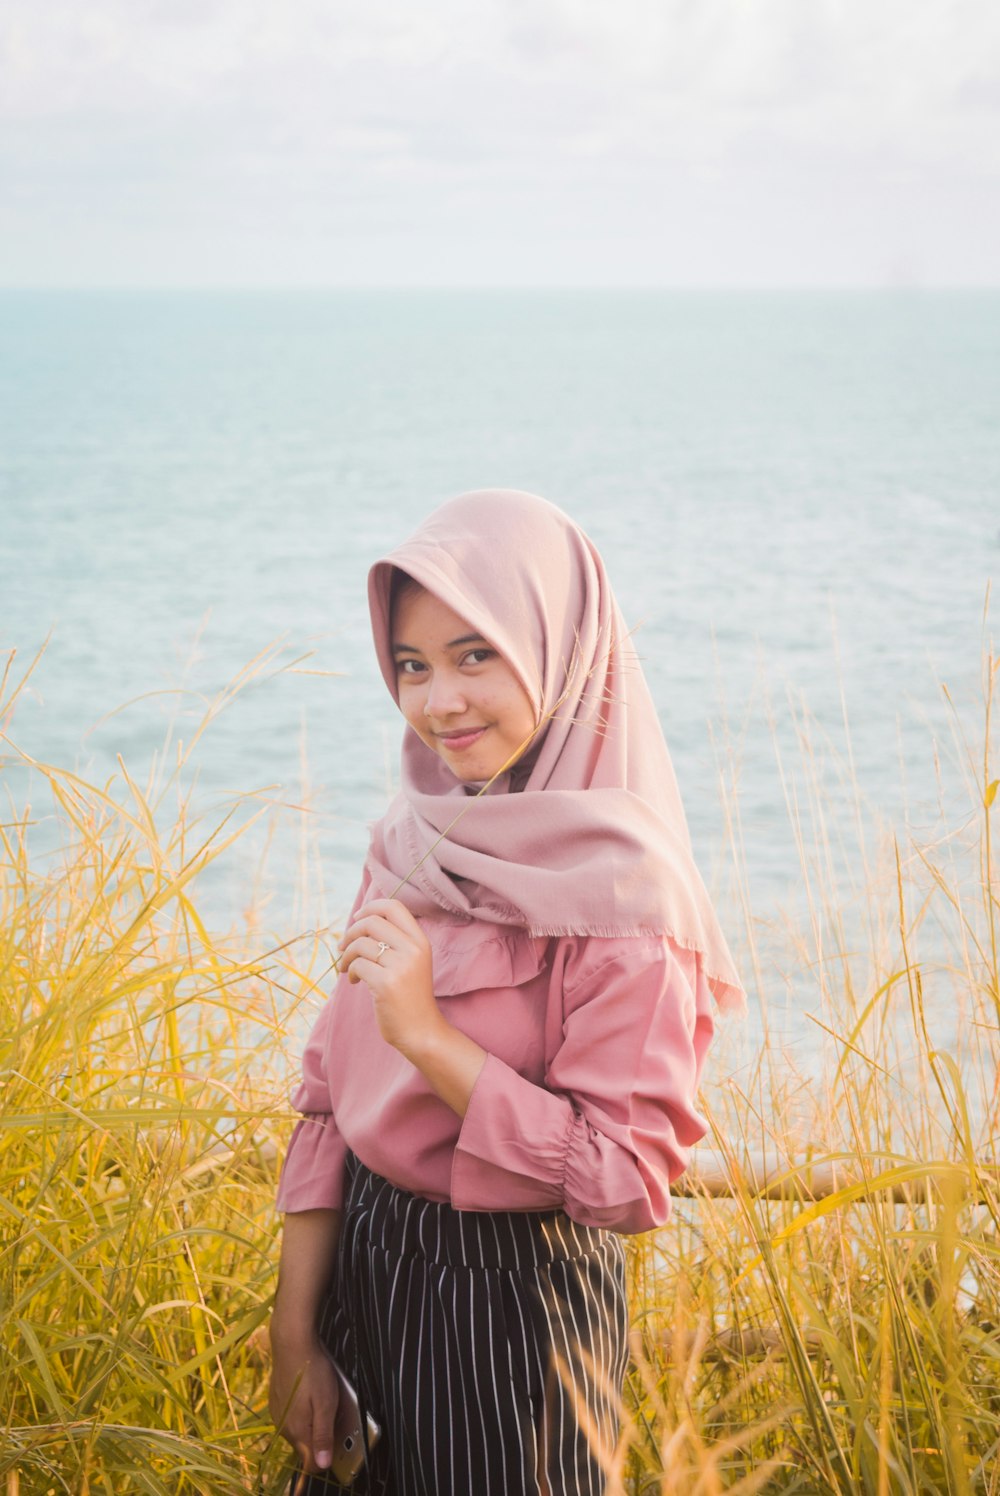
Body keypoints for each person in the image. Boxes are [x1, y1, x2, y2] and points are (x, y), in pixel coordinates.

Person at [268, 489, 745, 1496]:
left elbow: (626, 1179)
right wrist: (295, 1328)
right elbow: (326, 1100)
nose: (439, 700)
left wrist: (429, 1037)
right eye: (411, 663)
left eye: (474, 653)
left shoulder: (627, 900)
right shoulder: (410, 841)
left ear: (555, 646)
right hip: (365, 1260)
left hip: (514, 1305)